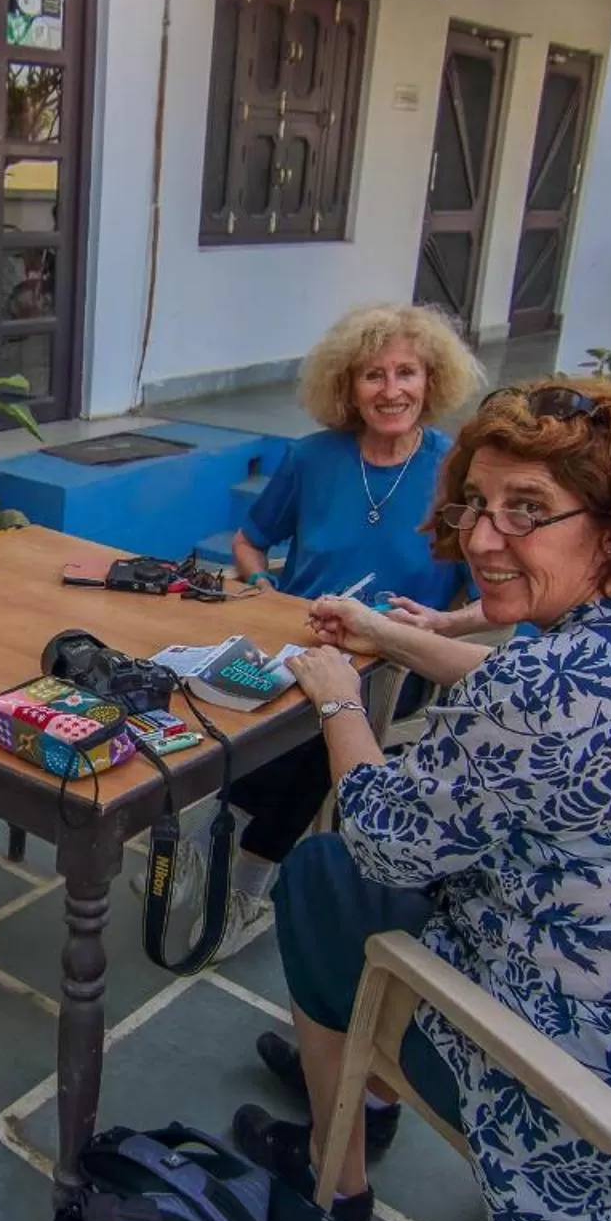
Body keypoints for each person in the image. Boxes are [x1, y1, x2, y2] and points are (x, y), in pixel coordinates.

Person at [233, 379, 611, 1221]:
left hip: (593, 1105)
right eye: (477, 504)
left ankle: (335, 1171)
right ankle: (363, 1083)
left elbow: (384, 837)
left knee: (326, 876)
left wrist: (339, 698)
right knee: (402, 883)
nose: (481, 537)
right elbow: (546, 703)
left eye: (528, 509)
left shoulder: (538, 690)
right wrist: (393, 639)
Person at [209, 305, 483, 936]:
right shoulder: (312, 458)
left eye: (406, 372)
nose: (392, 391)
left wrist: (440, 625)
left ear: (432, 379)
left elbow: (490, 601)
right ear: (347, 386)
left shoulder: (457, 471)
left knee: (320, 718)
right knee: (219, 694)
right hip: (297, 638)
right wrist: (265, 589)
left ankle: (243, 878)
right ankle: (218, 848)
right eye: (373, 375)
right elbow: (250, 543)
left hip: (396, 659)